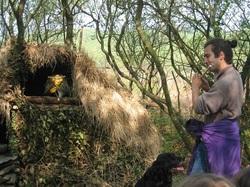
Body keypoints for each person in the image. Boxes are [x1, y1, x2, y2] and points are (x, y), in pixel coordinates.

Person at [189, 38, 244, 178]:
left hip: (217, 141)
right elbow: (222, 102)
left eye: (207, 56)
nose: (205, 61)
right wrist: (208, 88)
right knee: (226, 179)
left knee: (199, 181)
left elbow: (199, 107)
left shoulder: (224, 82)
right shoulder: (234, 74)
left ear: (221, 56)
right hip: (227, 137)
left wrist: (195, 87)